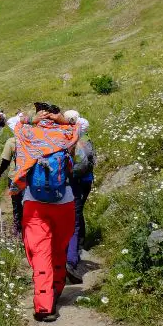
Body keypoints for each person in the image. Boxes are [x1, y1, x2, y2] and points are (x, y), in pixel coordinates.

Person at [8, 102, 81, 323]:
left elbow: (14, 121)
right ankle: (57, 289)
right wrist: (62, 120)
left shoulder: (27, 131)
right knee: (59, 249)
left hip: (35, 202)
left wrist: (32, 119)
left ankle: (44, 305)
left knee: (41, 254)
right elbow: (80, 123)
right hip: (65, 201)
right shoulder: (67, 133)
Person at [63, 110, 95, 285]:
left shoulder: (65, 138)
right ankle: (78, 248)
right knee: (77, 215)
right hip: (85, 181)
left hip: (70, 183)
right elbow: (91, 160)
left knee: (71, 220)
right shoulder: (86, 137)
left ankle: (71, 259)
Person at [0, 135, 21, 237]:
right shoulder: (35, 138)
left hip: (15, 178)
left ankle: (17, 228)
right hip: (31, 178)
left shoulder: (12, 141)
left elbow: (5, 161)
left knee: (16, 203)